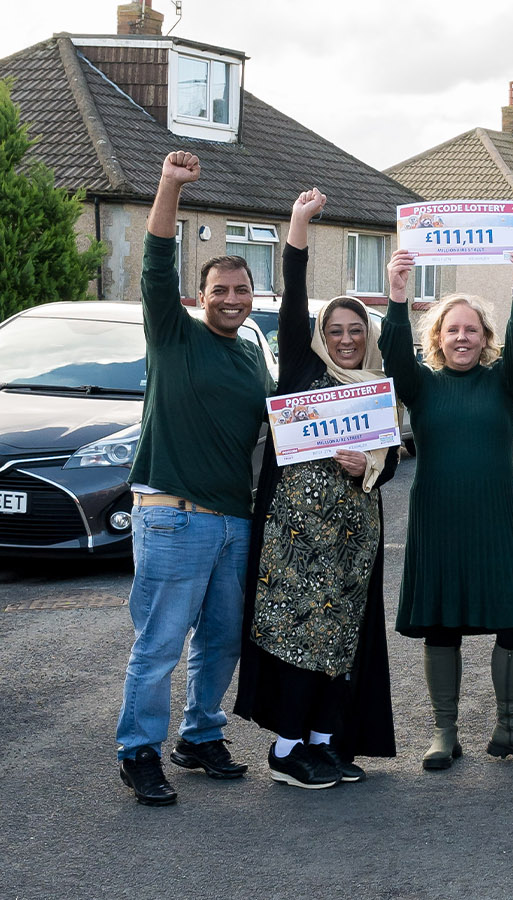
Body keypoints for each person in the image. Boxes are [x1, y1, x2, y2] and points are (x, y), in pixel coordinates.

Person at [115, 151, 274, 805]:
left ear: (252, 298)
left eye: (241, 292)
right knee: (158, 645)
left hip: (233, 521)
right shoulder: (173, 335)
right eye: (220, 291)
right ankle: (139, 750)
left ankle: (200, 736)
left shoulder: (249, 354)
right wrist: (168, 186)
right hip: (173, 514)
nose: (231, 300)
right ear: (199, 297)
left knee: (218, 641)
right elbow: (155, 258)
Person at [232, 189, 399, 788]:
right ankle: (285, 750)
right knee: (296, 638)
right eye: (336, 329)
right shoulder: (304, 374)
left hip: (353, 545)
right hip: (293, 541)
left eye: (356, 330)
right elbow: (296, 299)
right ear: (321, 335)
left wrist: (367, 467)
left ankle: (327, 742)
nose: (346, 338)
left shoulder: (379, 388)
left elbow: (393, 464)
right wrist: (298, 228)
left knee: (343, 639)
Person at [381, 247, 513, 769]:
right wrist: (396, 295)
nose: (462, 337)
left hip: (495, 527)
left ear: (485, 338)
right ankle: (445, 732)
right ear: (437, 337)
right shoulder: (422, 387)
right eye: (452, 330)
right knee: (442, 626)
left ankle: (510, 728)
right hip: (437, 527)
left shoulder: (503, 384)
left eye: (472, 330)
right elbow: (392, 354)